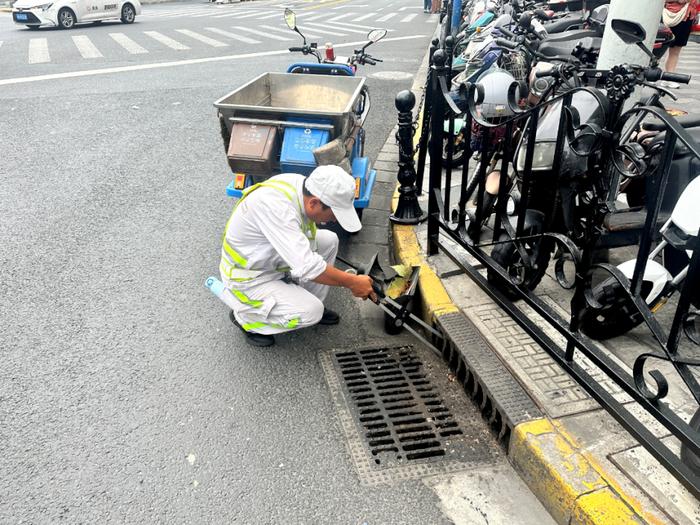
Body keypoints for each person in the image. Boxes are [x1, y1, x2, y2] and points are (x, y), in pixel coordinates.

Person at [219, 166, 376, 347]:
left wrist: (350, 281)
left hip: (269, 258)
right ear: (314, 203)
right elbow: (310, 267)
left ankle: (303, 299)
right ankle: (246, 319)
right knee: (312, 311)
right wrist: (352, 282)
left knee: (330, 240)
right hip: (249, 278)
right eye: (333, 214)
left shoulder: (301, 185)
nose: (334, 220)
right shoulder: (276, 208)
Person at [663, 0, 698, 88]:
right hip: (671, 15)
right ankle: (650, 74)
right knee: (658, 47)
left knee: (676, 49)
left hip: (687, 16)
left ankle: (668, 78)